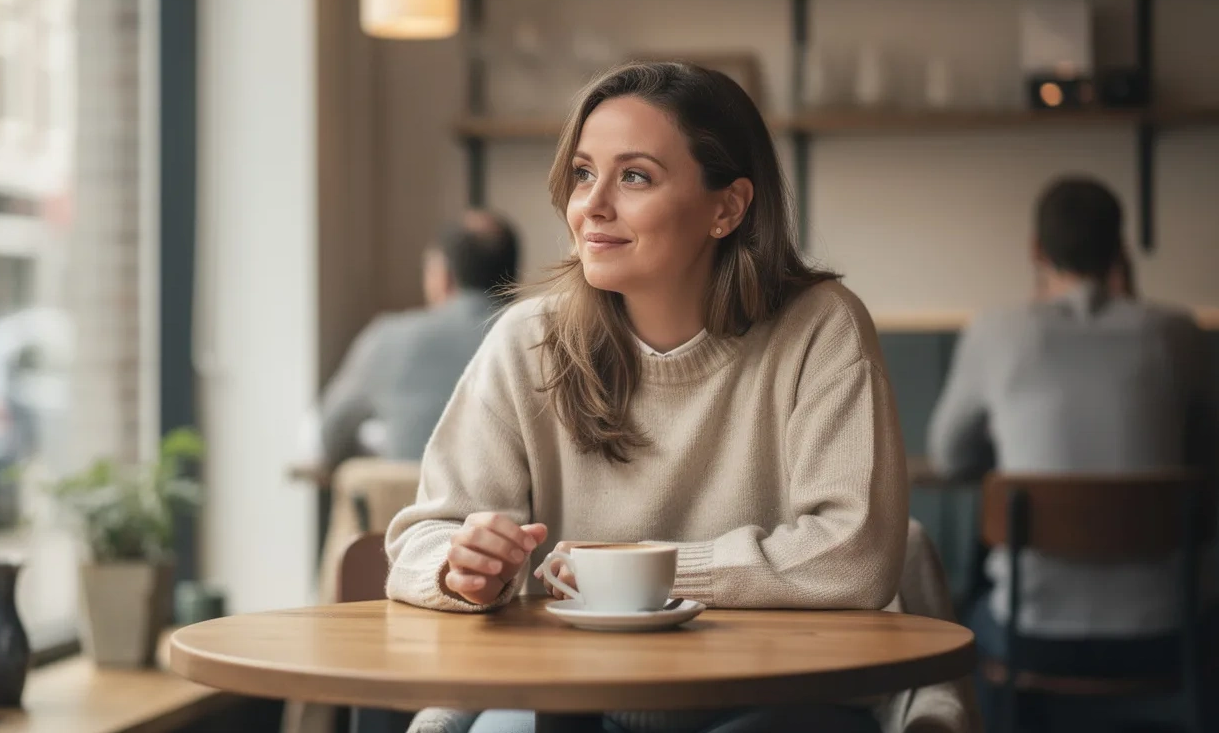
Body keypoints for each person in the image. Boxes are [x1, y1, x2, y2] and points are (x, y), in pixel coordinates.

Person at [385, 62, 908, 733]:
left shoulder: (821, 328)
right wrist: (463, 568)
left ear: (728, 207)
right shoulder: (527, 340)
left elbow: (854, 556)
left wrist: (634, 573)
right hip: (574, 697)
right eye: (582, 173)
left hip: (769, 703)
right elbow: (423, 538)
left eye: (634, 176)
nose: (592, 205)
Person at [928, 177, 1219, 712]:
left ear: (1036, 251)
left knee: (963, 610)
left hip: (1031, 632)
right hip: (1164, 631)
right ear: (1120, 249)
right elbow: (1205, 456)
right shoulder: (1178, 333)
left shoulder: (998, 332)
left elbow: (949, 454)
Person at [319, 210, 520, 466]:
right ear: (514, 279)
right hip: (504, 505)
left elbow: (329, 435)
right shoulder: (536, 342)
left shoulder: (387, 339)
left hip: (399, 503)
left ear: (443, 276)